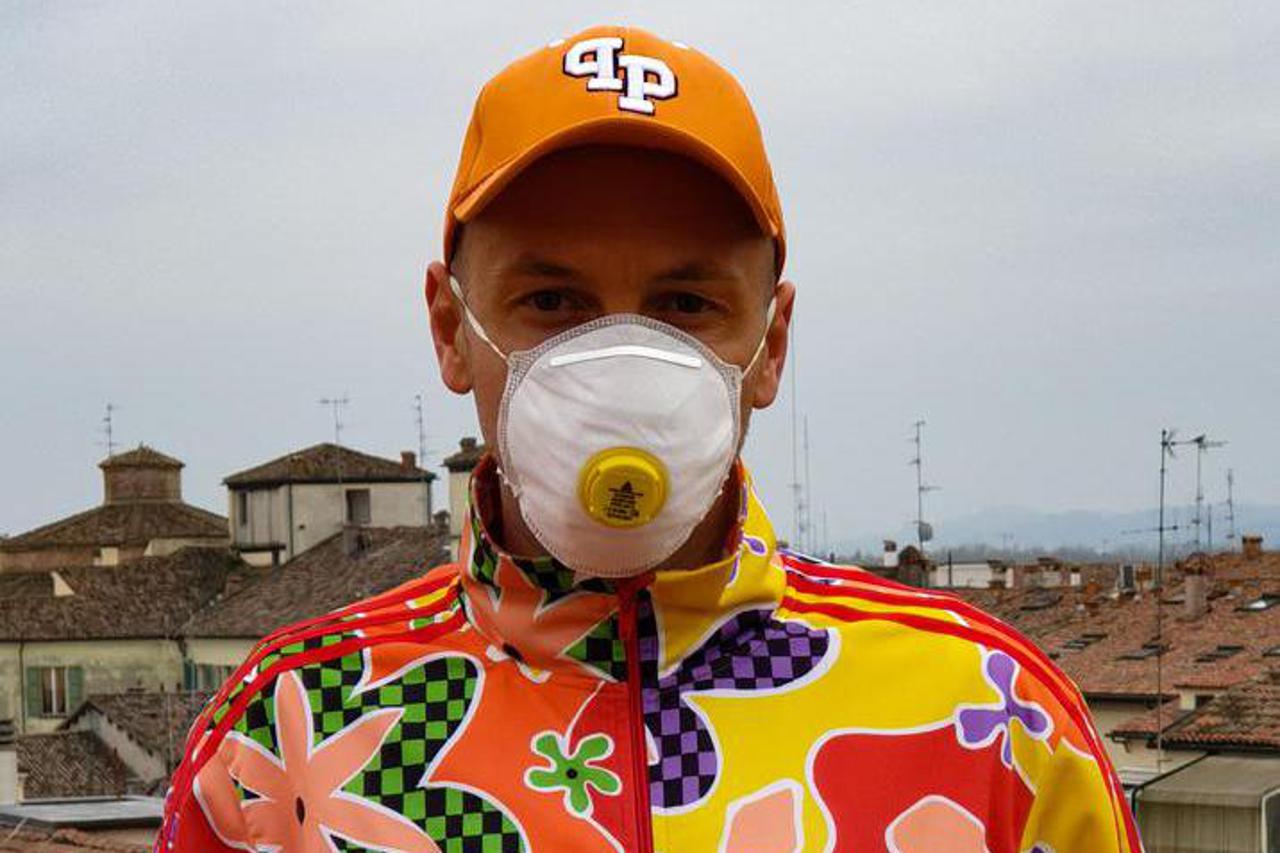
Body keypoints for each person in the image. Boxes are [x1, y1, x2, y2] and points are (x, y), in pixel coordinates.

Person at [159, 25, 1140, 852]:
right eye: (552, 300)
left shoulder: (994, 729)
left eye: (684, 304)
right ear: (451, 328)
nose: (620, 362)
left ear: (770, 345)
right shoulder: (284, 735)